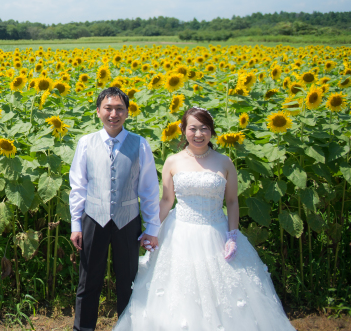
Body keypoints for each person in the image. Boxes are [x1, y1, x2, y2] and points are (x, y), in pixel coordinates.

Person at [113, 107, 296, 331]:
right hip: (179, 233)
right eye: (193, 128)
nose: (198, 134)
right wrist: (152, 229)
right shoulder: (172, 161)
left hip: (216, 231)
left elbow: (231, 202)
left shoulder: (224, 162)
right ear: (183, 131)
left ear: (211, 132)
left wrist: (232, 236)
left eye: (204, 129)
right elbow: (167, 201)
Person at [69, 87, 161, 331]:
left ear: (128, 113)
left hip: (127, 220)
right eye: (108, 108)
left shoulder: (140, 145)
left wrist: (152, 227)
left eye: (120, 109)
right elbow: (78, 186)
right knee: (88, 281)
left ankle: (127, 327)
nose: (113, 114)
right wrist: (76, 224)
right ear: (98, 111)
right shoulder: (86, 143)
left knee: (128, 281)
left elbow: (150, 190)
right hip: (93, 218)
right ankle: (84, 328)